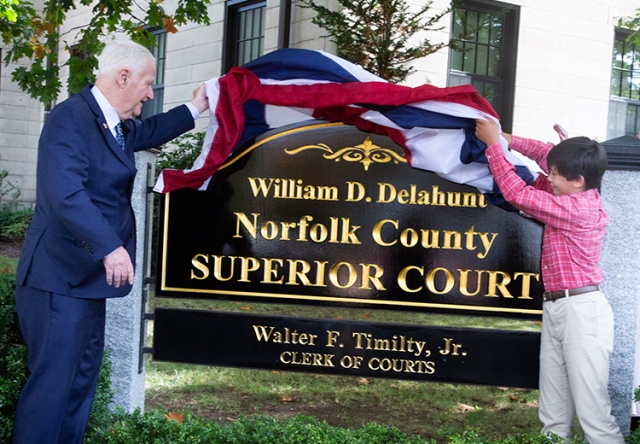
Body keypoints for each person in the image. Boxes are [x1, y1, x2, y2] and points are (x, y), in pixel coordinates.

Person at [12, 39, 208, 444]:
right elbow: (66, 193)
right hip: (57, 282)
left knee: (78, 386)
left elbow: (151, 129)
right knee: (51, 392)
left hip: (84, 284)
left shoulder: (112, 124)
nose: (151, 93)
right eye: (148, 83)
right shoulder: (69, 119)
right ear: (123, 77)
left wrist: (197, 107)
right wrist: (110, 247)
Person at [475, 119, 623, 444]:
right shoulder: (576, 190)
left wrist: (493, 146)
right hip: (559, 308)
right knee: (553, 418)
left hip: (581, 314)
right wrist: (506, 138)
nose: (548, 177)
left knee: (594, 417)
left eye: (555, 174)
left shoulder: (575, 209)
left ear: (578, 181)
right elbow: (545, 153)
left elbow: (516, 193)